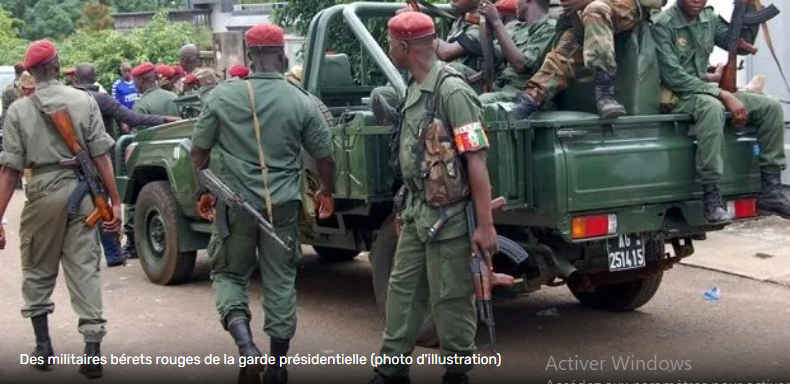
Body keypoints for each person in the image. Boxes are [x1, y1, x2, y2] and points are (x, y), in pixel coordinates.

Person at [191, 22, 336, 384]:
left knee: (228, 273)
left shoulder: (222, 96)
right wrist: (326, 191)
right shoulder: (300, 100)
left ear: (250, 56)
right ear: (283, 54)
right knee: (281, 280)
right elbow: (325, 155)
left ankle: (246, 348)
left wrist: (204, 189)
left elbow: (198, 153)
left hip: (235, 206)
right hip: (283, 206)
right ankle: (277, 366)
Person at [368, 11, 498, 384]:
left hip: (450, 218)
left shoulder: (452, 91)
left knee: (451, 299)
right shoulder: (414, 87)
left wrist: (485, 225)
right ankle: (391, 370)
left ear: (405, 46)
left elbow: (476, 160)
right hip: (416, 213)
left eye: (392, 43)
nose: (389, 49)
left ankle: (456, 373)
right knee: (402, 292)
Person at [0, 39, 122, 379]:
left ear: (30, 73)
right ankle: (93, 351)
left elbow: (9, 170)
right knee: (84, 267)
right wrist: (114, 201)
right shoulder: (83, 100)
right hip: (83, 193)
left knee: (37, 266)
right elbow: (101, 155)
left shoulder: (18, 110)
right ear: (57, 65)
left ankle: (43, 347)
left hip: (40, 191)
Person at [653, 0, 790, 222]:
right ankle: (712, 196)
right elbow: (673, 76)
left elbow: (734, 42)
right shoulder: (663, 24)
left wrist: (747, 7)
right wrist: (723, 94)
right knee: (712, 108)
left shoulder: (709, 19)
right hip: (678, 94)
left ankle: (771, 190)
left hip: (706, 89)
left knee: (771, 107)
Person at [514, 0, 664, 119]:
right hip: (584, 13)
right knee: (569, 46)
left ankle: (605, 92)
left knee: (595, 9)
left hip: (630, 4)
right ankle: (533, 96)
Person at [119, 62, 180, 260]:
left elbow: (137, 137)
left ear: (142, 81)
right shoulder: (173, 97)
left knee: (133, 199)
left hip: (149, 160)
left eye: (136, 81)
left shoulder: (142, 105)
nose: (134, 84)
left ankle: (132, 242)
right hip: (177, 159)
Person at [478, 0, 556, 104]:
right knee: (455, 74)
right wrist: (488, 28)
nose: (516, 4)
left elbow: (521, 65)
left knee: (481, 101)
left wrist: (496, 22)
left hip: (523, 95)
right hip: (499, 86)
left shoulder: (550, 29)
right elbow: (495, 54)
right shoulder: (517, 28)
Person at [1, 63, 25, 127]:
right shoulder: (29, 87)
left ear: (15, 73)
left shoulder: (7, 89)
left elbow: (5, 112)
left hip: (12, 125)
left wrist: (4, 127)